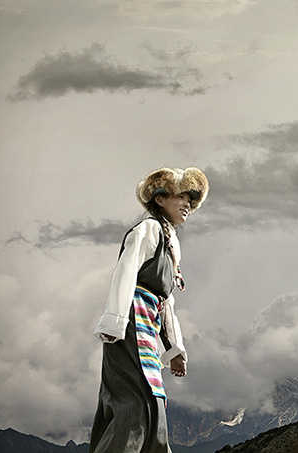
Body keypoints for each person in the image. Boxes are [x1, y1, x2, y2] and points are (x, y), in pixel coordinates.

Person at [90, 167, 209, 452]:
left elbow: (166, 302)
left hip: (148, 324)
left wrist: (175, 350)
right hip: (129, 322)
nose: (187, 205)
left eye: (190, 200)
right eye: (180, 196)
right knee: (134, 401)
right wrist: (114, 322)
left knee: (152, 403)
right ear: (159, 199)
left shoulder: (171, 243)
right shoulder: (148, 229)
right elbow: (126, 271)